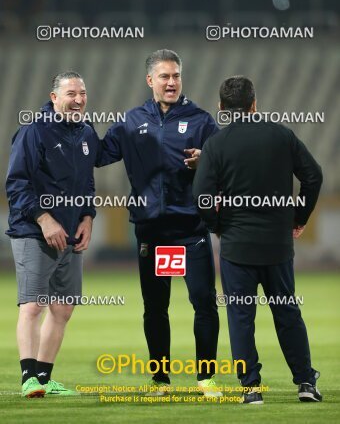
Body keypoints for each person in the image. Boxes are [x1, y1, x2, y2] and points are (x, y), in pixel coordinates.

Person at [96, 49, 221, 396]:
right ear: (150, 80)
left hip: (189, 231)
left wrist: (206, 162)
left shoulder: (201, 120)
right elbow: (99, 154)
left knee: (204, 302)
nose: (171, 82)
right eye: (164, 76)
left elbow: (223, 166)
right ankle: (160, 379)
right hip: (153, 231)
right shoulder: (131, 121)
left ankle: (206, 377)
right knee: (155, 308)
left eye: (176, 75)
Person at [193, 75, 323, 404]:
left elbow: (201, 195)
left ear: (221, 108)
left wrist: (218, 224)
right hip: (278, 245)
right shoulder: (282, 135)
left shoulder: (216, 145)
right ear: (254, 103)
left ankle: (251, 388)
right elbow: (314, 175)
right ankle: (306, 382)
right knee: (287, 312)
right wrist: (299, 217)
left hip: (237, 246)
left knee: (240, 317)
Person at [6, 72, 97, 398]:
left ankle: (45, 379)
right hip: (34, 231)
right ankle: (28, 377)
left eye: (82, 93)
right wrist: (44, 219)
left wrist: (88, 217)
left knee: (63, 309)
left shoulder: (87, 133)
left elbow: (87, 183)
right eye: (71, 93)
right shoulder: (34, 132)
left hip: (71, 233)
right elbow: (16, 184)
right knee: (33, 305)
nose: (78, 99)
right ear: (54, 97)